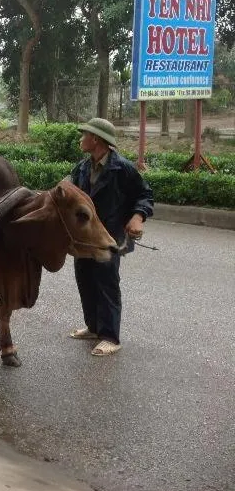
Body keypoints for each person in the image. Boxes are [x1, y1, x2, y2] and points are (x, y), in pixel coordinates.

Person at [68, 118, 154, 357]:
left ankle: (110, 337)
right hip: (85, 238)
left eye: (84, 134)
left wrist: (138, 217)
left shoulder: (122, 169)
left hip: (109, 236)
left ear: (96, 139)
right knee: (85, 279)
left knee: (106, 283)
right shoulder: (82, 168)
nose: (81, 139)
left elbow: (145, 195)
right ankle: (94, 327)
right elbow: (68, 194)